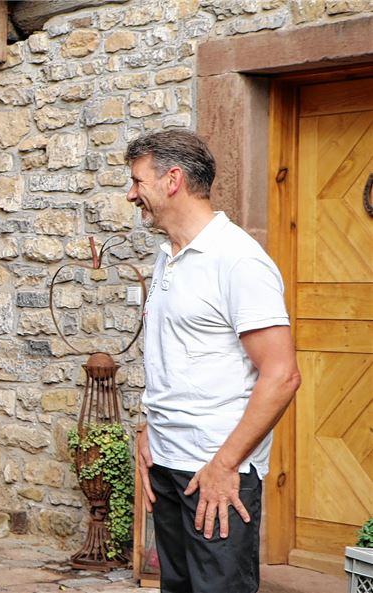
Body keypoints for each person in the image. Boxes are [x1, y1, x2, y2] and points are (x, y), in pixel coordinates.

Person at [127, 129, 300, 593]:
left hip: (217, 472)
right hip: (167, 465)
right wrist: (150, 428)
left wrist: (225, 466)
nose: (131, 194)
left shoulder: (238, 259)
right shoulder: (169, 257)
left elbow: (281, 375)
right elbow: (177, 356)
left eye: (137, 181)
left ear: (172, 180)